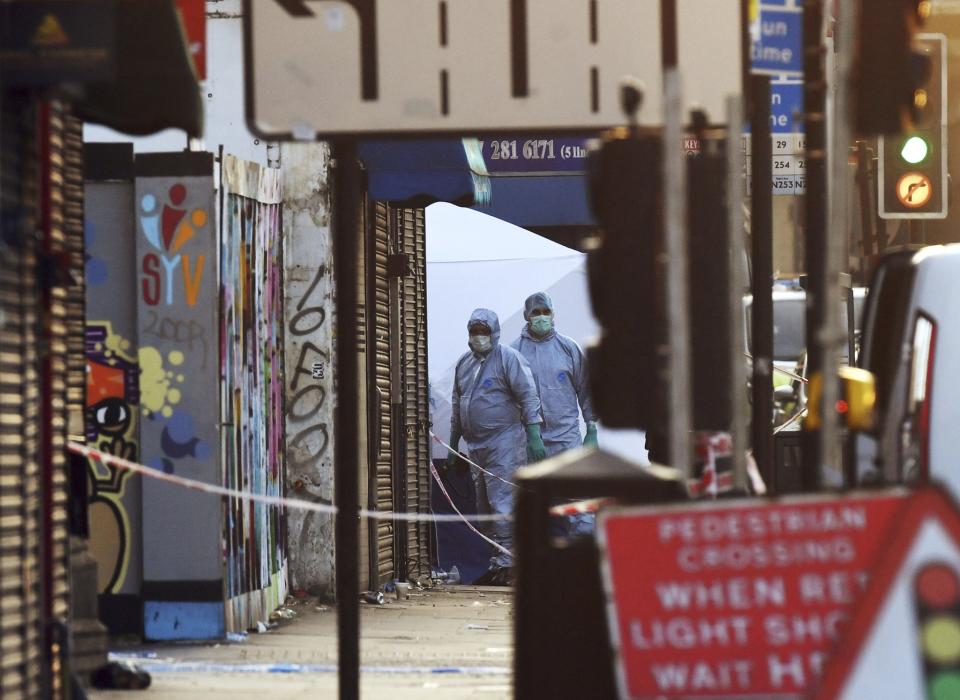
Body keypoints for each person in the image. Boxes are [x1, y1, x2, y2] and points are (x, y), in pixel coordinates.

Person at [447, 308, 545, 585]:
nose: (479, 336)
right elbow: (458, 403)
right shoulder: (464, 364)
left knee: (503, 503)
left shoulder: (508, 359)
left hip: (505, 441)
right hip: (476, 445)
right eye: (474, 330)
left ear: (494, 332)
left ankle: (510, 562)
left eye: (483, 330)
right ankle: (498, 560)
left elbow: (528, 396)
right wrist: (454, 443)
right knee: (484, 506)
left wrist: (534, 433)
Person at [512, 292, 599, 534]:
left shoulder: (568, 348)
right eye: (535, 313)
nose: (541, 317)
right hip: (531, 444)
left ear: (553, 314)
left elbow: (586, 391)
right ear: (526, 316)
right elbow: (510, 401)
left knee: (577, 502)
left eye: (545, 312)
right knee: (534, 506)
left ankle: (583, 558)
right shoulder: (514, 353)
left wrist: (591, 429)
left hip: (567, 440)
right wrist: (530, 438)